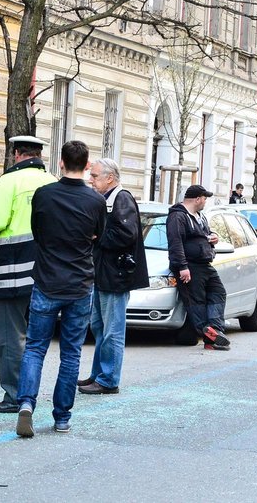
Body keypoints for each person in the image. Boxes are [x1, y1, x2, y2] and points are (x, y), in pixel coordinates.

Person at [15, 141, 106, 437]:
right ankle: (62, 417)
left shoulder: (44, 195)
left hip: (46, 281)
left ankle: (26, 404)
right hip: (80, 284)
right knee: (71, 353)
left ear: (61, 163)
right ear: (87, 164)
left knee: (34, 348)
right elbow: (99, 237)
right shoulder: (95, 201)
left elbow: (37, 233)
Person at [0, 135, 56, 414]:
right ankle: (31, 393)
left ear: (17, 155)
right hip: (47, 272)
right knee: (36, 337)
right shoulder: (52, 181)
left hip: (13, 271)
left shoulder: (8, 182)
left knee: (10, 336)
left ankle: (14, 396)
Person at [78, 158, 149, 396]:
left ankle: (108, 379)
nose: (91, 180)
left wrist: (97, 236)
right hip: (103, 273)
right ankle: (98, 374)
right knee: (99, 326)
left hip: (115, 275)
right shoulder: (107, 199)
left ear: (110, 178)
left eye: (95, 176)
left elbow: (126, 234)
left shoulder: (121, 198)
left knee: (112, 330)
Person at [167, 185, 231, 351]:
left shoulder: (200, 216)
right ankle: (208, 335)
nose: (205, 202)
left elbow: (205, 234)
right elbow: (176, 243)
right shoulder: (178, 217)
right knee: (196, 301)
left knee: (218, 292)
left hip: (205, 264)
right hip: (189, 265)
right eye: (204, 198)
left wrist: (213, 238)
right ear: (197, 199)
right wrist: (182, 267)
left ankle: (215, 331)